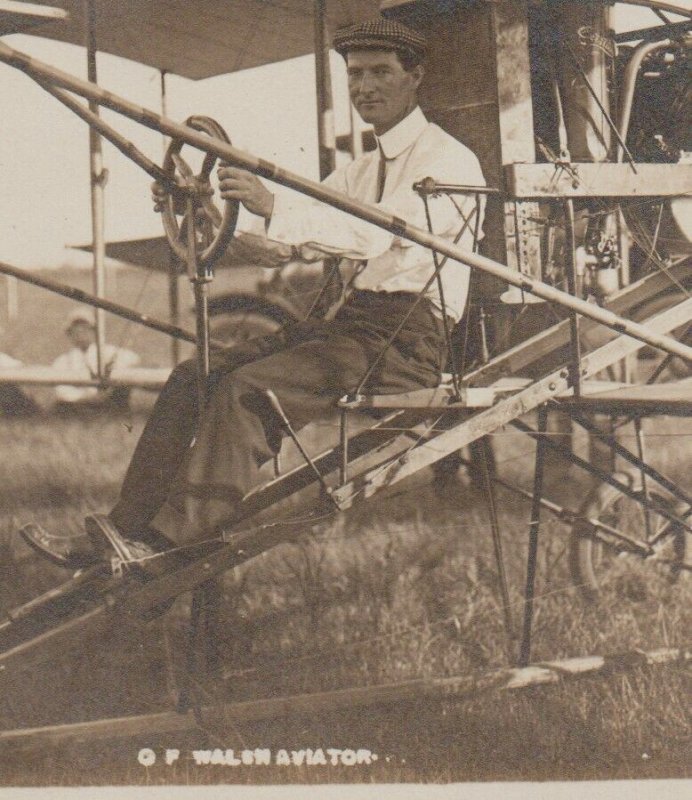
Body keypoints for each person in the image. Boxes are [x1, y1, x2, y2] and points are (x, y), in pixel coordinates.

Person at [25, 17, 485, 569]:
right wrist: (206, 213)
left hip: (407, 340)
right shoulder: (359, 171)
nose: (364, 87)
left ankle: (170, 544)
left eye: (380, 72)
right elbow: (286, 244)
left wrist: (274, 206)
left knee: (248, 391)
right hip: (350, 327)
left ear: (416, 77)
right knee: (194, 374)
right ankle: (120, 533)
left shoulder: (448, 159)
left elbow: (377, 233)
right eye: (355, 73)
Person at [52, 308, 141, 414]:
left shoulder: (109, 352)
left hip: (107, 399)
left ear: (94, 332)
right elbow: (62, 391)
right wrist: (87, 398)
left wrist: (112, 370)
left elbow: (133, 359)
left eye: (86, 329)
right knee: (62, 407)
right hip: (81, 403)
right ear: (69, 334)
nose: (81, 334)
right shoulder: (62, 361)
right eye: (76, 330)